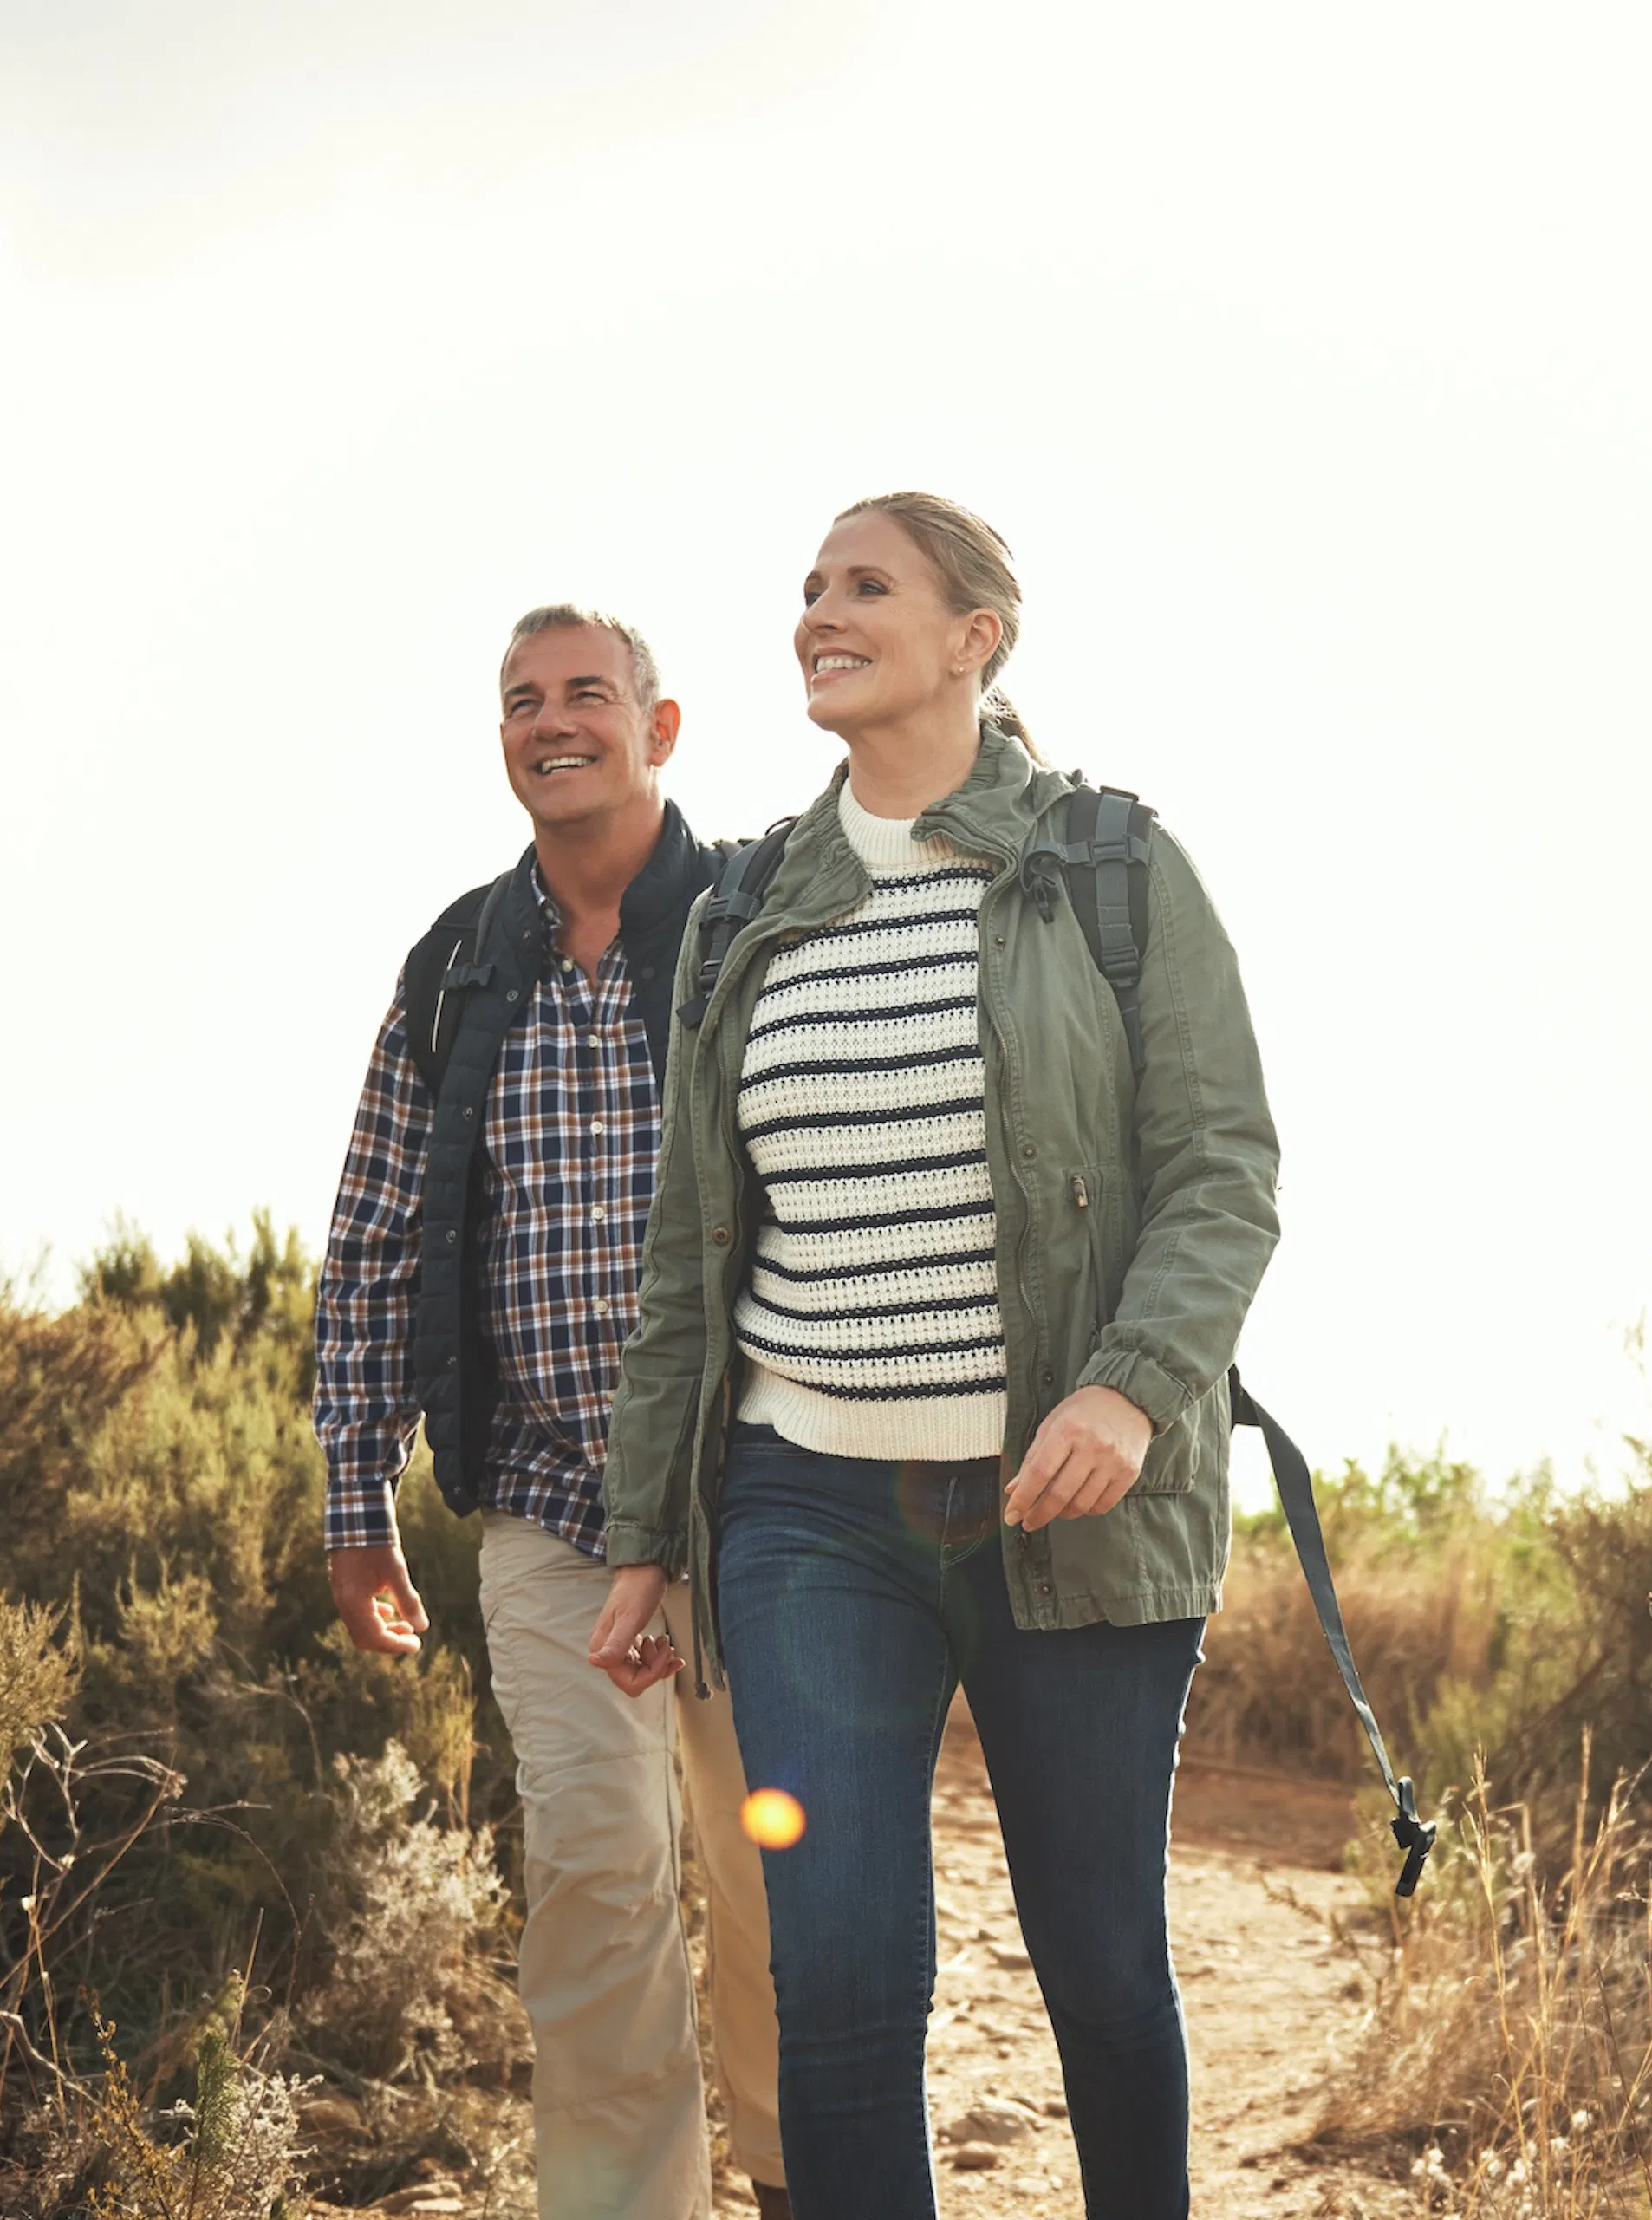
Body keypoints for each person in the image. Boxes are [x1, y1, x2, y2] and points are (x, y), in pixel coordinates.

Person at [588, 493, 1281, 2219]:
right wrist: (647, 1531)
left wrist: (1127, 1386)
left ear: (976, 635)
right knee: (833, 1983)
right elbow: (690, 1247)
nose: (821, 611)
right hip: (806, 1508)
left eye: (867, 585)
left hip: (1073, 1510)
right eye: (810, 588)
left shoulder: (1113, 867)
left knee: (1104, 1971)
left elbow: (1223, 1175)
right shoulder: (746, 910)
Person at [313, 605, 787, 2220]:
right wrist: (352, 1490)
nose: (552, 720)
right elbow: (374, 1231)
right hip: (544, 1509)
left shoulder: (757, 922)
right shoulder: (455, 966)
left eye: (589, 692)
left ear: (662, 730)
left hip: (765, 1501)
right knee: (594, 1882)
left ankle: (800, 2182)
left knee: (780, 1881)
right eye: (523, 700)